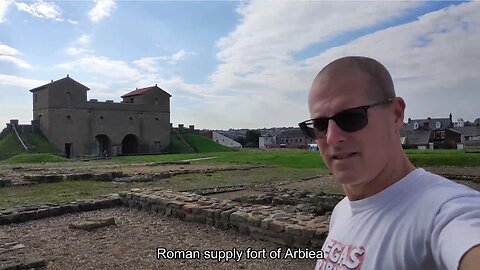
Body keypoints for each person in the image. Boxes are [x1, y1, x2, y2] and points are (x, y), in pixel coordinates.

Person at [298, 56, 480, 270]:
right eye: (320, 125)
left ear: (396, 114)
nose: (331, 138)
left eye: (351, 117)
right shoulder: (341, 211)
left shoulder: (446, 212)